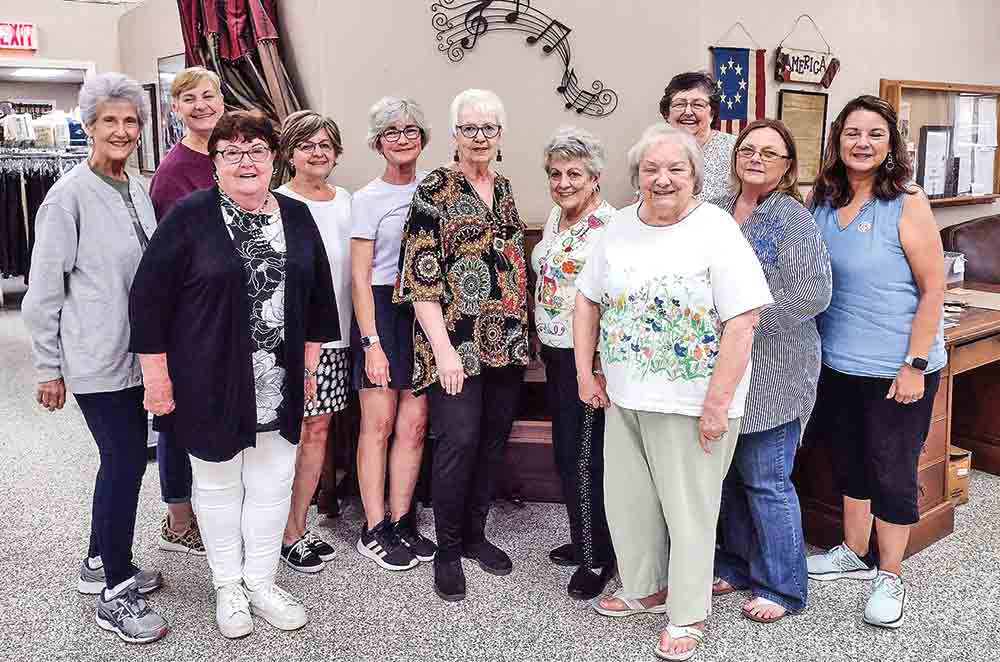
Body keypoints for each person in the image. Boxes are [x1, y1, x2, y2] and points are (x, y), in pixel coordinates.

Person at [129, 111, 340, 639]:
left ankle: (261, 581)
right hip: (208, 377)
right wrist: (157, 379)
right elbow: (148, 302)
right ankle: (227, 587)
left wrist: (310, 372)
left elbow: (317, 305)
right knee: (219, 484)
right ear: (215, 162)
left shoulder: (296, 216)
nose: (246, 161)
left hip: (281, 379)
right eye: (231, 151)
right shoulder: (189, 215)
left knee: (272, 484)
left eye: (257, 150)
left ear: (274, 157)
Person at [574, 122, 772, 661]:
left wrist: (716, 403)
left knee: (689, 512)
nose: (662, 180)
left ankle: (688, 614)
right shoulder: (617, 225)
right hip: (626, 396)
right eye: (650, 170)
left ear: (695, 176)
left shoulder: (716, 229)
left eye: (675, 169)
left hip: (692, 404)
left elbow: (743, 321)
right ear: (636, 176)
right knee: (630, 503)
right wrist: (584, 371)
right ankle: (645, 588)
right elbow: (588, 300)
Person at [22, 72, 169, 644]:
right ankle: (115, 589)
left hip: (139, 356)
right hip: (94, 356)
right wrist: (47, 365)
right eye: (110, 120)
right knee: (126, 462)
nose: (123, 130)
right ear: (88, 126)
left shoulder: (134, 185)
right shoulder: (67, 195)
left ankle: (98, 562)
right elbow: (44, 287)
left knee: (124, 461)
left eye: (131, 120)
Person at [805, 95, 946, 629]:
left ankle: (890, 575)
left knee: (891, 470)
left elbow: (933, 290)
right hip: (837, 363)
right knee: (850, 463)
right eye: (852, 134)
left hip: (897, 369)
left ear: (891, 145)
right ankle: (851, 551)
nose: (861, 143)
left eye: (874, 134)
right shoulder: (823, 200)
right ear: (838, 141)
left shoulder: (907, 201)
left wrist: (913, 363)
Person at [394, 88, 529, 602]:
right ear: (454, 136)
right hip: (453, 344)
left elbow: (511, 262)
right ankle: (448, 551)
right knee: (459, 442)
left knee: (493, 441)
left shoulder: (507, 186)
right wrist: (445, 351)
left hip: (505, 342)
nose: (479, 137)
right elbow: (421, 277)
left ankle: (475, 535)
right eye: (469, 128)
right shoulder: (434, 188)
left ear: (500, 135)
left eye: (488, 128)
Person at [712, 119, 832, 623]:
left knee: (767, 479)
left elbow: (814, 292)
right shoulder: (716, 213)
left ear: (787, 167)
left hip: (776, 371)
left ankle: (782, 586)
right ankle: (738, 565)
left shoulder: (792, 217)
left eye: (770, 152)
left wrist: (746, 318)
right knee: (730, 480)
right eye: (748, 149)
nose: (756, 158)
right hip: (722, 369)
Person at [530, 126, 616, 600]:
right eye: (556, 174)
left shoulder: (610, 227)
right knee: (568, 451)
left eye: (574, 174)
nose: (563, 182)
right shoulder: (556, 219)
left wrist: (597, 367)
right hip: (557, 354)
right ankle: (587, 538)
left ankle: (597, 557)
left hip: (589, 360)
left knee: (584, 457)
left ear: (595, 177)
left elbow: (614, 302)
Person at [351, 97, 436, 571]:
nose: (402, 139)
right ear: (378, 142)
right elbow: (360, 278)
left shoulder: (436, 189)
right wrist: (371, 342)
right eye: (391, 132)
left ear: (422, 138)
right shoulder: (367, 199)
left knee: (414, 424)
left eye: (410, 130)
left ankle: (403, 519)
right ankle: (374, 526)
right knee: (379, 424)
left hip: (423, 312)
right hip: (382, 312)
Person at [148, 65, 224, 557]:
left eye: (209, 95)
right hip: (187, 314)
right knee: (175, 419)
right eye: (189, 98)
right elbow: (169, 260)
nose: (201, 105)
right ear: (175, 109)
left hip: (226, 308)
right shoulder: (174, 173)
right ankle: (178, 522)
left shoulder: (230, 154)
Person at [273, 110, 352, 573]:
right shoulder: (275, 201)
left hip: (339, 336)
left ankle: (295, 527)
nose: (316, 152)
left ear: (337, 153)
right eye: (306, 144)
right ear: (289, 152)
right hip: (296, 342)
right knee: (291, 435)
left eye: (325, 145)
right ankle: (282, 529)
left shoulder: (346, 201)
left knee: (318, 432)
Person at [659, 71, 736, 202]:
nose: (688, 112)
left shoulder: (734, 149)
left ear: (712, 113)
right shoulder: (655, 149)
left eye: (698, 105)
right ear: (667, 114)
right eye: (679, 104)